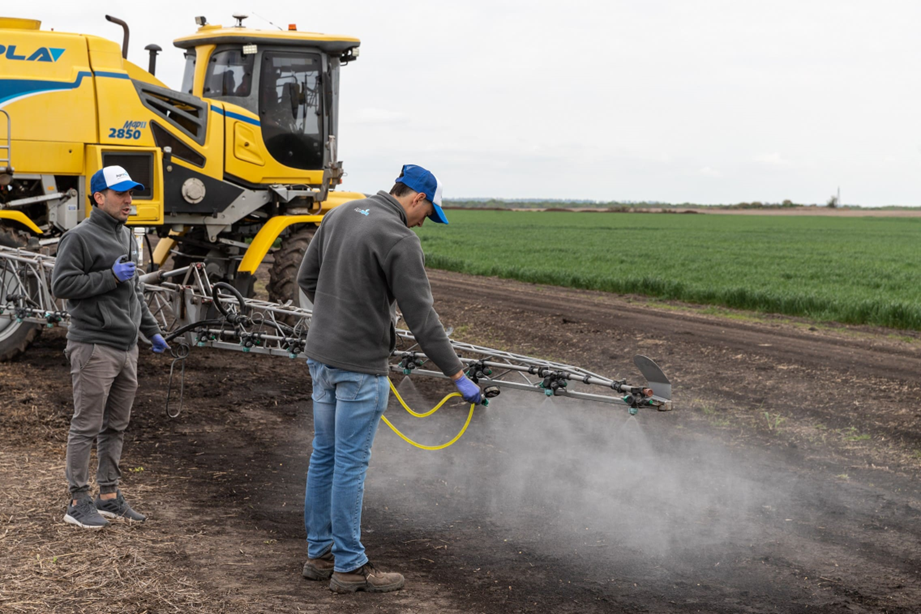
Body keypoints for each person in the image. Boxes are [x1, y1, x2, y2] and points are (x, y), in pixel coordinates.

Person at [297, 164, 482, 593]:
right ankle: (349, 567)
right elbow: (423, 319)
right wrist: (457, 374)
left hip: (321, 359)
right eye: (427, 213)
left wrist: (337, 315)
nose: (424, 223)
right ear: (416, 198)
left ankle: (319, 556)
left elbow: (308, 279)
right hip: (360, 369)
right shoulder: (400, 239)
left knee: (324, 457)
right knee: (348, 465)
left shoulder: (341, 214)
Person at [51, 165, 169, 530]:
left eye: (131, 193)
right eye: (122, 194)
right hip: (93, 347)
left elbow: (133, 293)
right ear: (99, 197)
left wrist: (152, 331)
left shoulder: (127, 237)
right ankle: (77, 500)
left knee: (115, 426)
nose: (129, 201)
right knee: (86, 425)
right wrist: (107, 277)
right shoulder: (79, 237)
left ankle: (108, 496)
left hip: (125, 347)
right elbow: (62, 285)